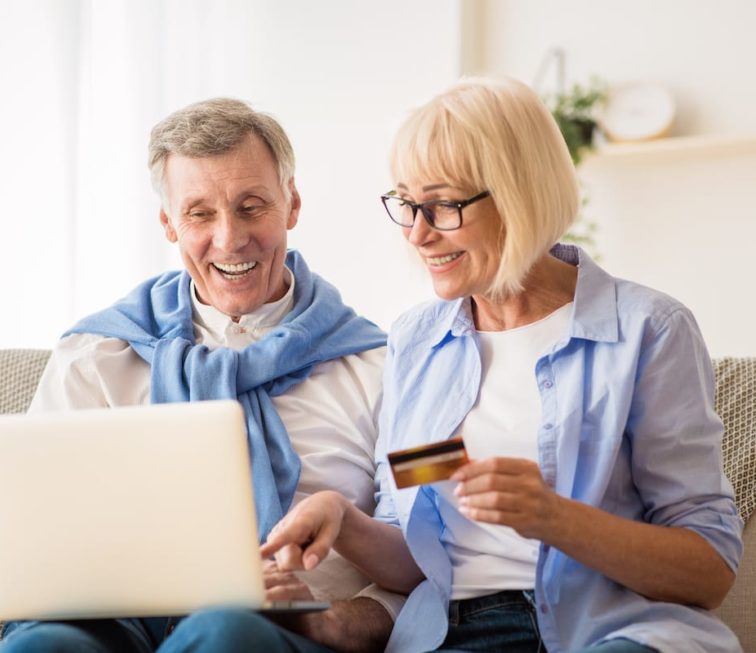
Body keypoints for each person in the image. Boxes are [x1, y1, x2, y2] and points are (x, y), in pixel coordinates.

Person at [262, 76, 744, 653]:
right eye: (408, 204)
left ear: (519, 193)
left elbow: (709, 568)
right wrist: (339, 515)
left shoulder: (647, 329)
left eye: (442, 205)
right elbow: (412, 563)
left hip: (610, 630)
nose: (417, 233)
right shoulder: (418, 341)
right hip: (447, 635)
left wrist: (555, 518)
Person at [0, 98, 405, 653]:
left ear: (293, 204)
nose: (230, 239)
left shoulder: (379, 367)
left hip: (285, 633)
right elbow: (34, 535)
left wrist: (342, 620)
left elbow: (429, 552)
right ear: (168, 223)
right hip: (106, 623)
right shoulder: (96, 355)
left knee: (224, 634)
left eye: (252, 206)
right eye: (199, 214)